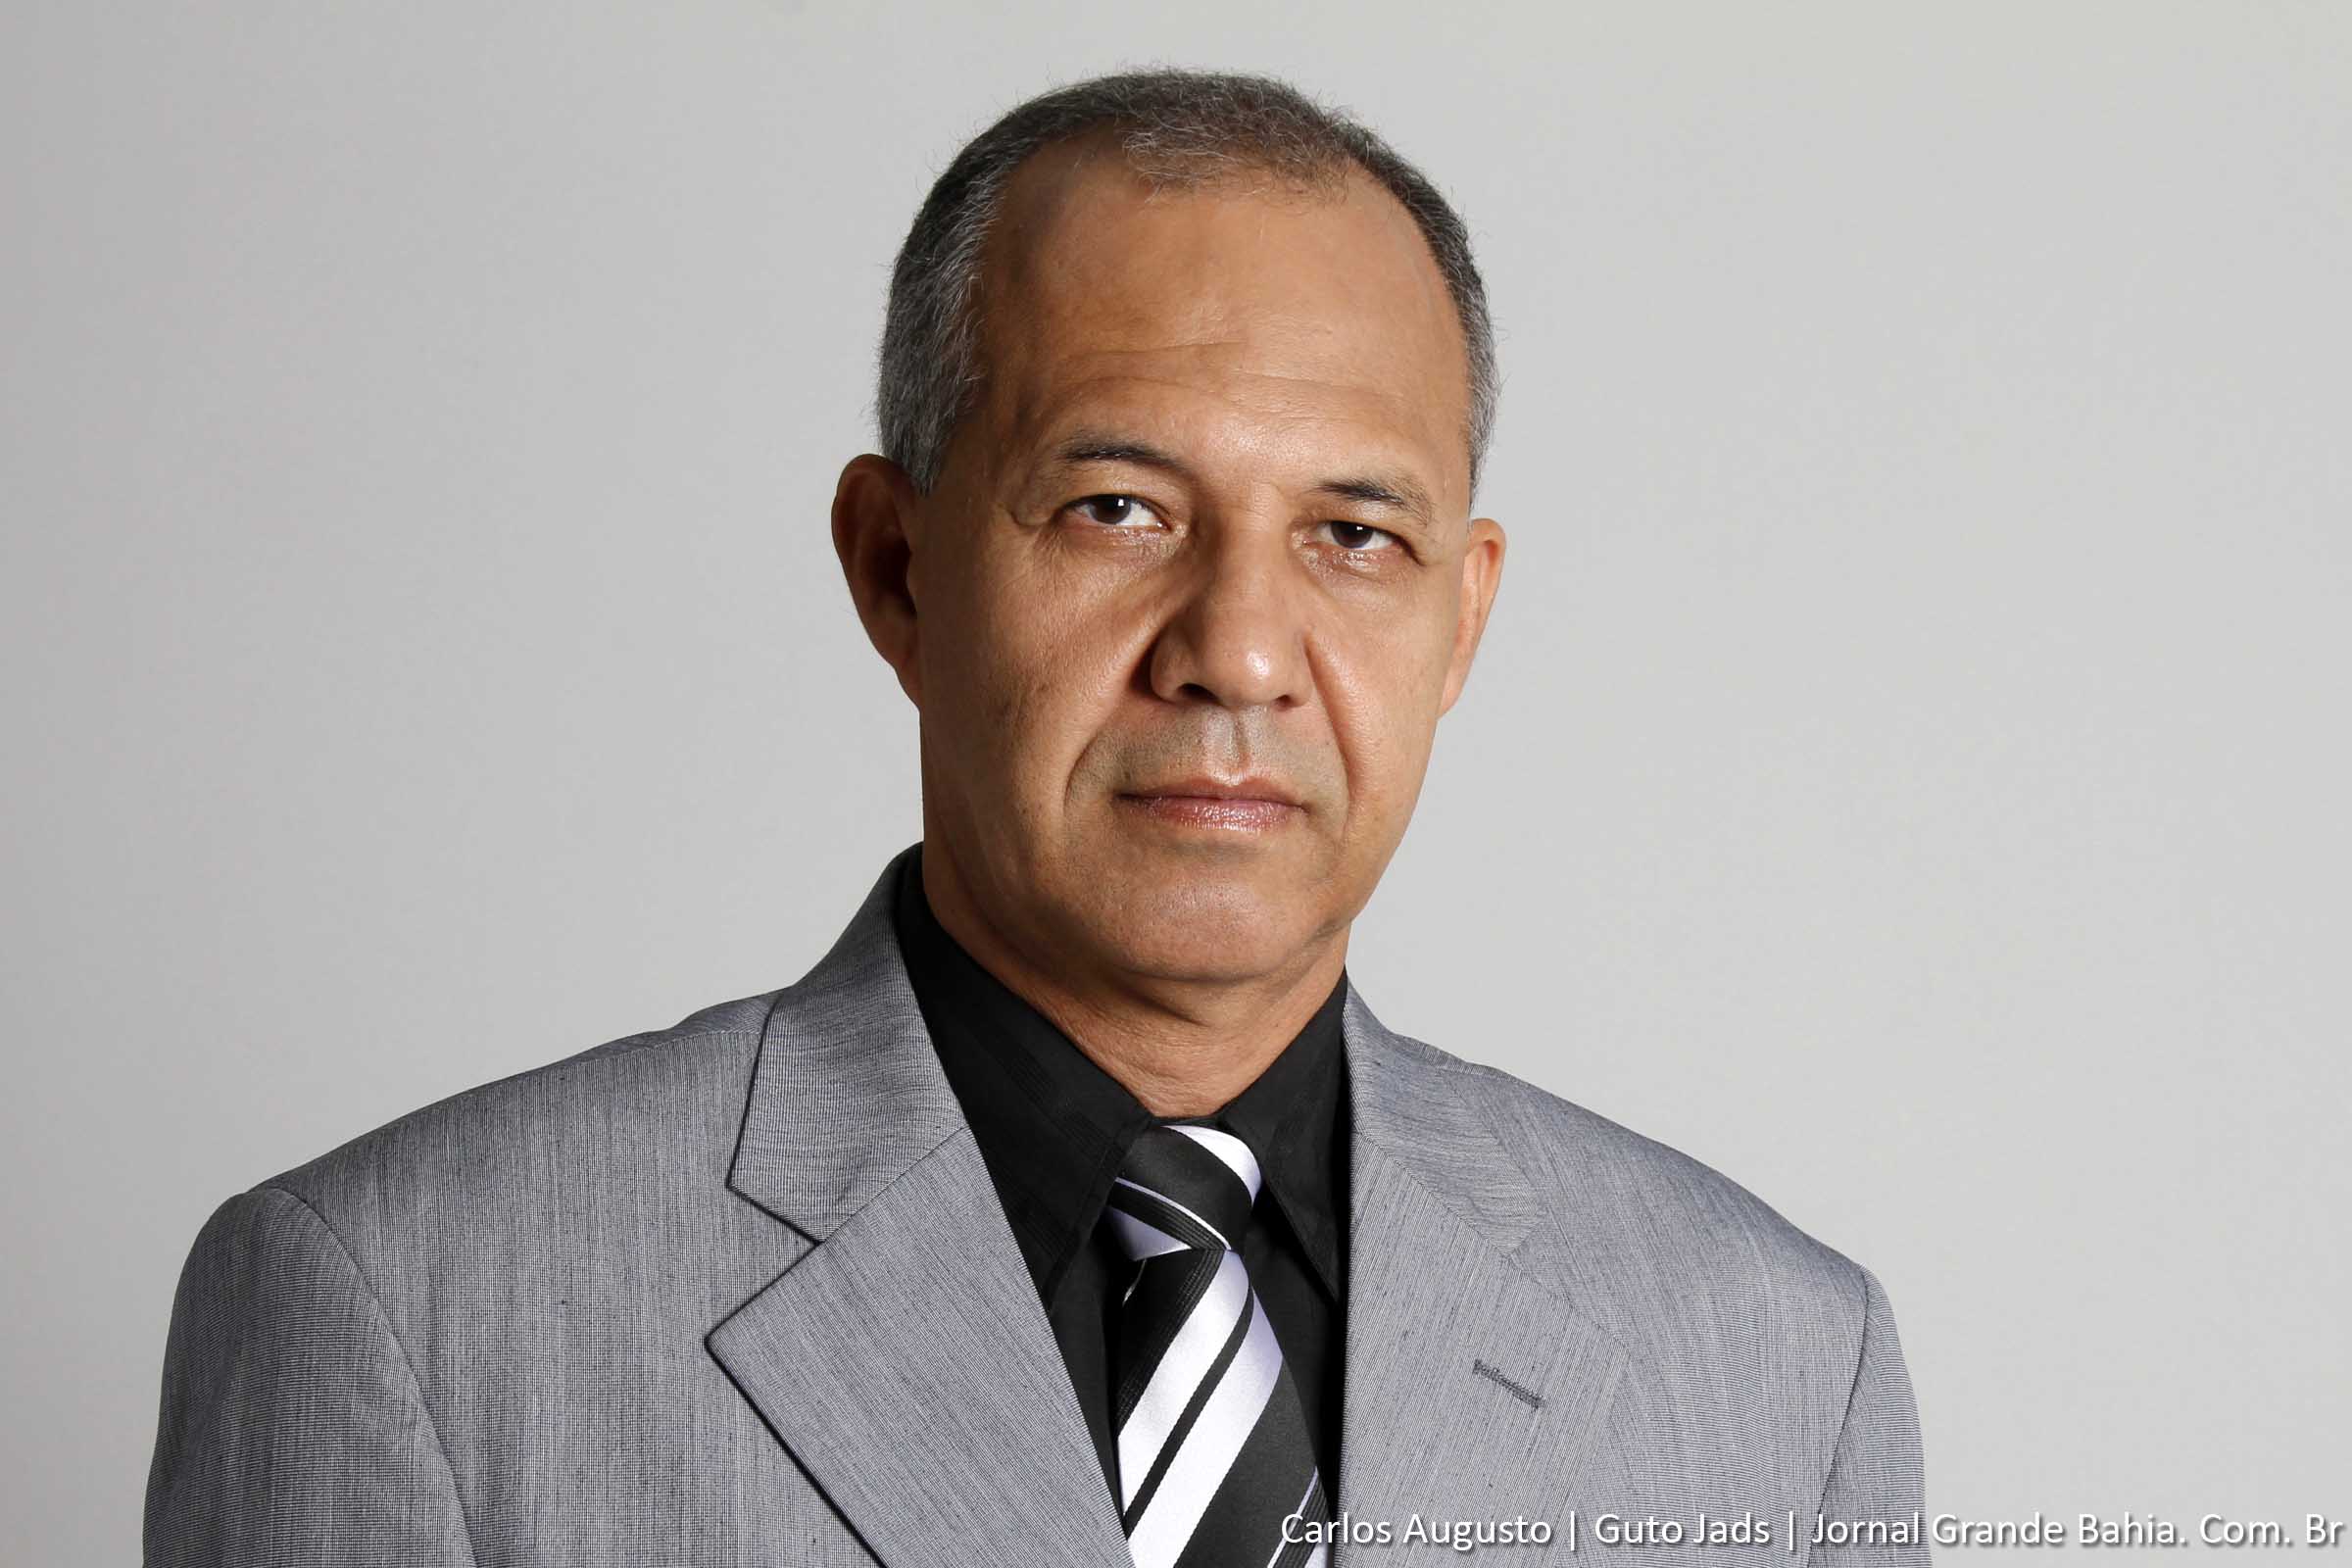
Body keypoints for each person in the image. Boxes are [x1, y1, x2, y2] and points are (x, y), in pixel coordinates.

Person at [146, 70, 1928, 1567]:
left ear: (1461, 623)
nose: (1239, 651)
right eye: (1117, 510)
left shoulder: (1776, 1369)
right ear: (896, 568)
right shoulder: (406, 1307)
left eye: (1353, 534)